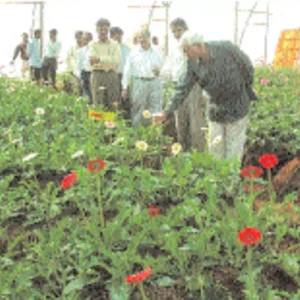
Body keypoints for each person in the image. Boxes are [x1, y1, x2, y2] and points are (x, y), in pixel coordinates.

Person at [153, 31, 257, 165]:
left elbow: (247, 66)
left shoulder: (226, 48)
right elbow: (183, 88)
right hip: (215, 108)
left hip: (236, 105)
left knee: (233, 150)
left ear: (197, 46)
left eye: (186, 51)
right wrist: (166, 112)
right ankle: (217, 180)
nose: (185, 55)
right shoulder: (193, 63)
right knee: (215, 147)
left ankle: (231, 183)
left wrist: (244, 87)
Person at [122, 27, 165, 128]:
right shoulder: (133, 53)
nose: (141, 40)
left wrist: (159, 71)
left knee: (156, 109)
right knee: (137, 109)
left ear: (149, 37)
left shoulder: (158, 51)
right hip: (139, 82)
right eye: (139, 37)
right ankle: (137, 133)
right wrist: (125, 87)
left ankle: (155, 133)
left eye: (143, 37)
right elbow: (127, 71)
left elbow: (165, 68)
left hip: (155, 82)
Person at [89, 18, 121, 110]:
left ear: (108, 30)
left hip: (111, 75)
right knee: (98, 104)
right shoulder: (92, 45)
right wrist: (108, 60)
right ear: (96, 30)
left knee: (113, 103)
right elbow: (92, 60)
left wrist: (99, 59)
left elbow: (116, 61)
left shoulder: (115, 45)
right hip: (97, 75)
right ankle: (98, 124)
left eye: (105, 29)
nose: (103, 32)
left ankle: (112, 124)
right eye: (100, 29)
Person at [110, 26, 131, 119]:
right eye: (116, 36)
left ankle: (126, 121)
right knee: (113, 100)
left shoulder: (126, 48)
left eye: (120, 36)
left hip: (124, 76)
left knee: (125, 99)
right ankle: (114, 120)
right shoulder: (108, 48)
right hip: (112, 75)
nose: (118, 39)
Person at [77, 32, 93, 103]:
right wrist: (80, 76)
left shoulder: (94, 49)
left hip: (93, 73)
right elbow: (78, 65)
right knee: (86, 94)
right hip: (84, 74)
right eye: (84, 39)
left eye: (88, 39)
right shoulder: (80, 51)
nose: (86, 41)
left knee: (93, 94)